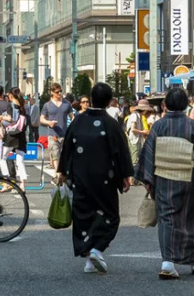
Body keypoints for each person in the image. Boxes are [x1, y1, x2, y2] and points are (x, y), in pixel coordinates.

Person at [136, 88, 194, 279]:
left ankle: (168, 262)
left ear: (165, 105)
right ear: (185, 105)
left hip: (164, 179)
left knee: (167, 220)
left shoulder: (158, 126)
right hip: (189, 179)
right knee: (190, 218)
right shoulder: (193, 126)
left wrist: (148, 180)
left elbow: (148, 153)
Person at [56, 83, 132, 274]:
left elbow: (67, 149)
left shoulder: (78, 121)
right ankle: (97, 250)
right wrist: (125, 175)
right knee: (110, 216)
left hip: (80, 177)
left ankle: (89, 258)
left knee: (84, 216)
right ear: (108, 101)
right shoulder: (112, 124)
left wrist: (62, 171)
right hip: (105, 178)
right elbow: (121, 151)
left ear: (90, 99)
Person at [0, 88, 28, 193]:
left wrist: (2, 116)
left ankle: (7, 182)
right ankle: (22, 185)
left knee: (2, 157)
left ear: (11, 95)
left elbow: (11, 119)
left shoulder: (10, 105)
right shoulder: (24, 106)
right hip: (21, 136)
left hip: (12, 136)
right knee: (20, 160)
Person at [40, 83, 74, 176]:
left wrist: (74, 127)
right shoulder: (47, 105)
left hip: (65, 134)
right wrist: (49, 123)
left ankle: (59, 176)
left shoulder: (66, 104)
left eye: (60, 91)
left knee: (65, 156)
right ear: (52, 92)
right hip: (53, 134)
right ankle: (59, 175)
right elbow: (41, 119)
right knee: (55, 156)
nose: (59, 93)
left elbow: (72, 117)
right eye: (57, 92)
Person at [126, 100, 153, 170]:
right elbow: (133, 129)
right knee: (134, 160)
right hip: (133, 140)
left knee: (137, 158)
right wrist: (143, 132)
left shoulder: (139, 116)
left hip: (137, 140)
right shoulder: (135, 116)